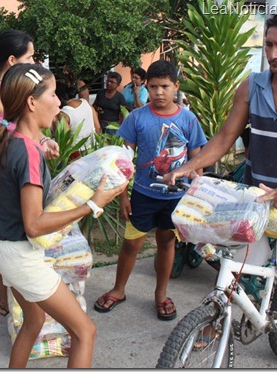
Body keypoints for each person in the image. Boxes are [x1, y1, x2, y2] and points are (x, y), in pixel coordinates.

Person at [163, 13, 277, 339]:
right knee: (230, 275)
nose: (273, 53)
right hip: (256, 204)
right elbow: (225, 138)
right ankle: (210, 326)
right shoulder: (252, 85)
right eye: (268, 44)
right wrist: (184, 168)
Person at [0, 63, 127, 368]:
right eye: (53, 93)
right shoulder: (27, 152)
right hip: (21, 255)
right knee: (85, 331)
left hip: (5, 249)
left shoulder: (15, 139)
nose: (60, 102)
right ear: (32, 102)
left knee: (34, 321)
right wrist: (93, 204)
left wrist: (42, 143)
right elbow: (34, 224)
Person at [93, 60, 207, 320]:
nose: (158, 92)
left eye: (165, 86)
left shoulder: (188, 119)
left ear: (176, 86)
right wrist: (122, 195)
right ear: (146, 86)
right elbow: (122, 162)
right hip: (142, 196)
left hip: (176, 199)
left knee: (166, 243)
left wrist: (194, 198)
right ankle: (118, 289)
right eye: (153, 86)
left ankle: (161, 294)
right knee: (131, 244)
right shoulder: (136, 117)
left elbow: (196, 163)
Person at [0, 29, 60, 316]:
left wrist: (41, 141)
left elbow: (19, 128)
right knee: (14, 236)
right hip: (9, 174)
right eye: (31, 57)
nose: (35, 62)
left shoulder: (17, 98)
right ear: (12, 60)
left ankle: (16, 299)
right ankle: (5, 298)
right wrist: (12, 156)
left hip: (19, 161)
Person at [54, 82, 100, 151]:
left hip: (77, 152)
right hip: (94, 147)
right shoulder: (85, 103)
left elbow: (66, 141)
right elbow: (98, 128)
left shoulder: (63, 114)